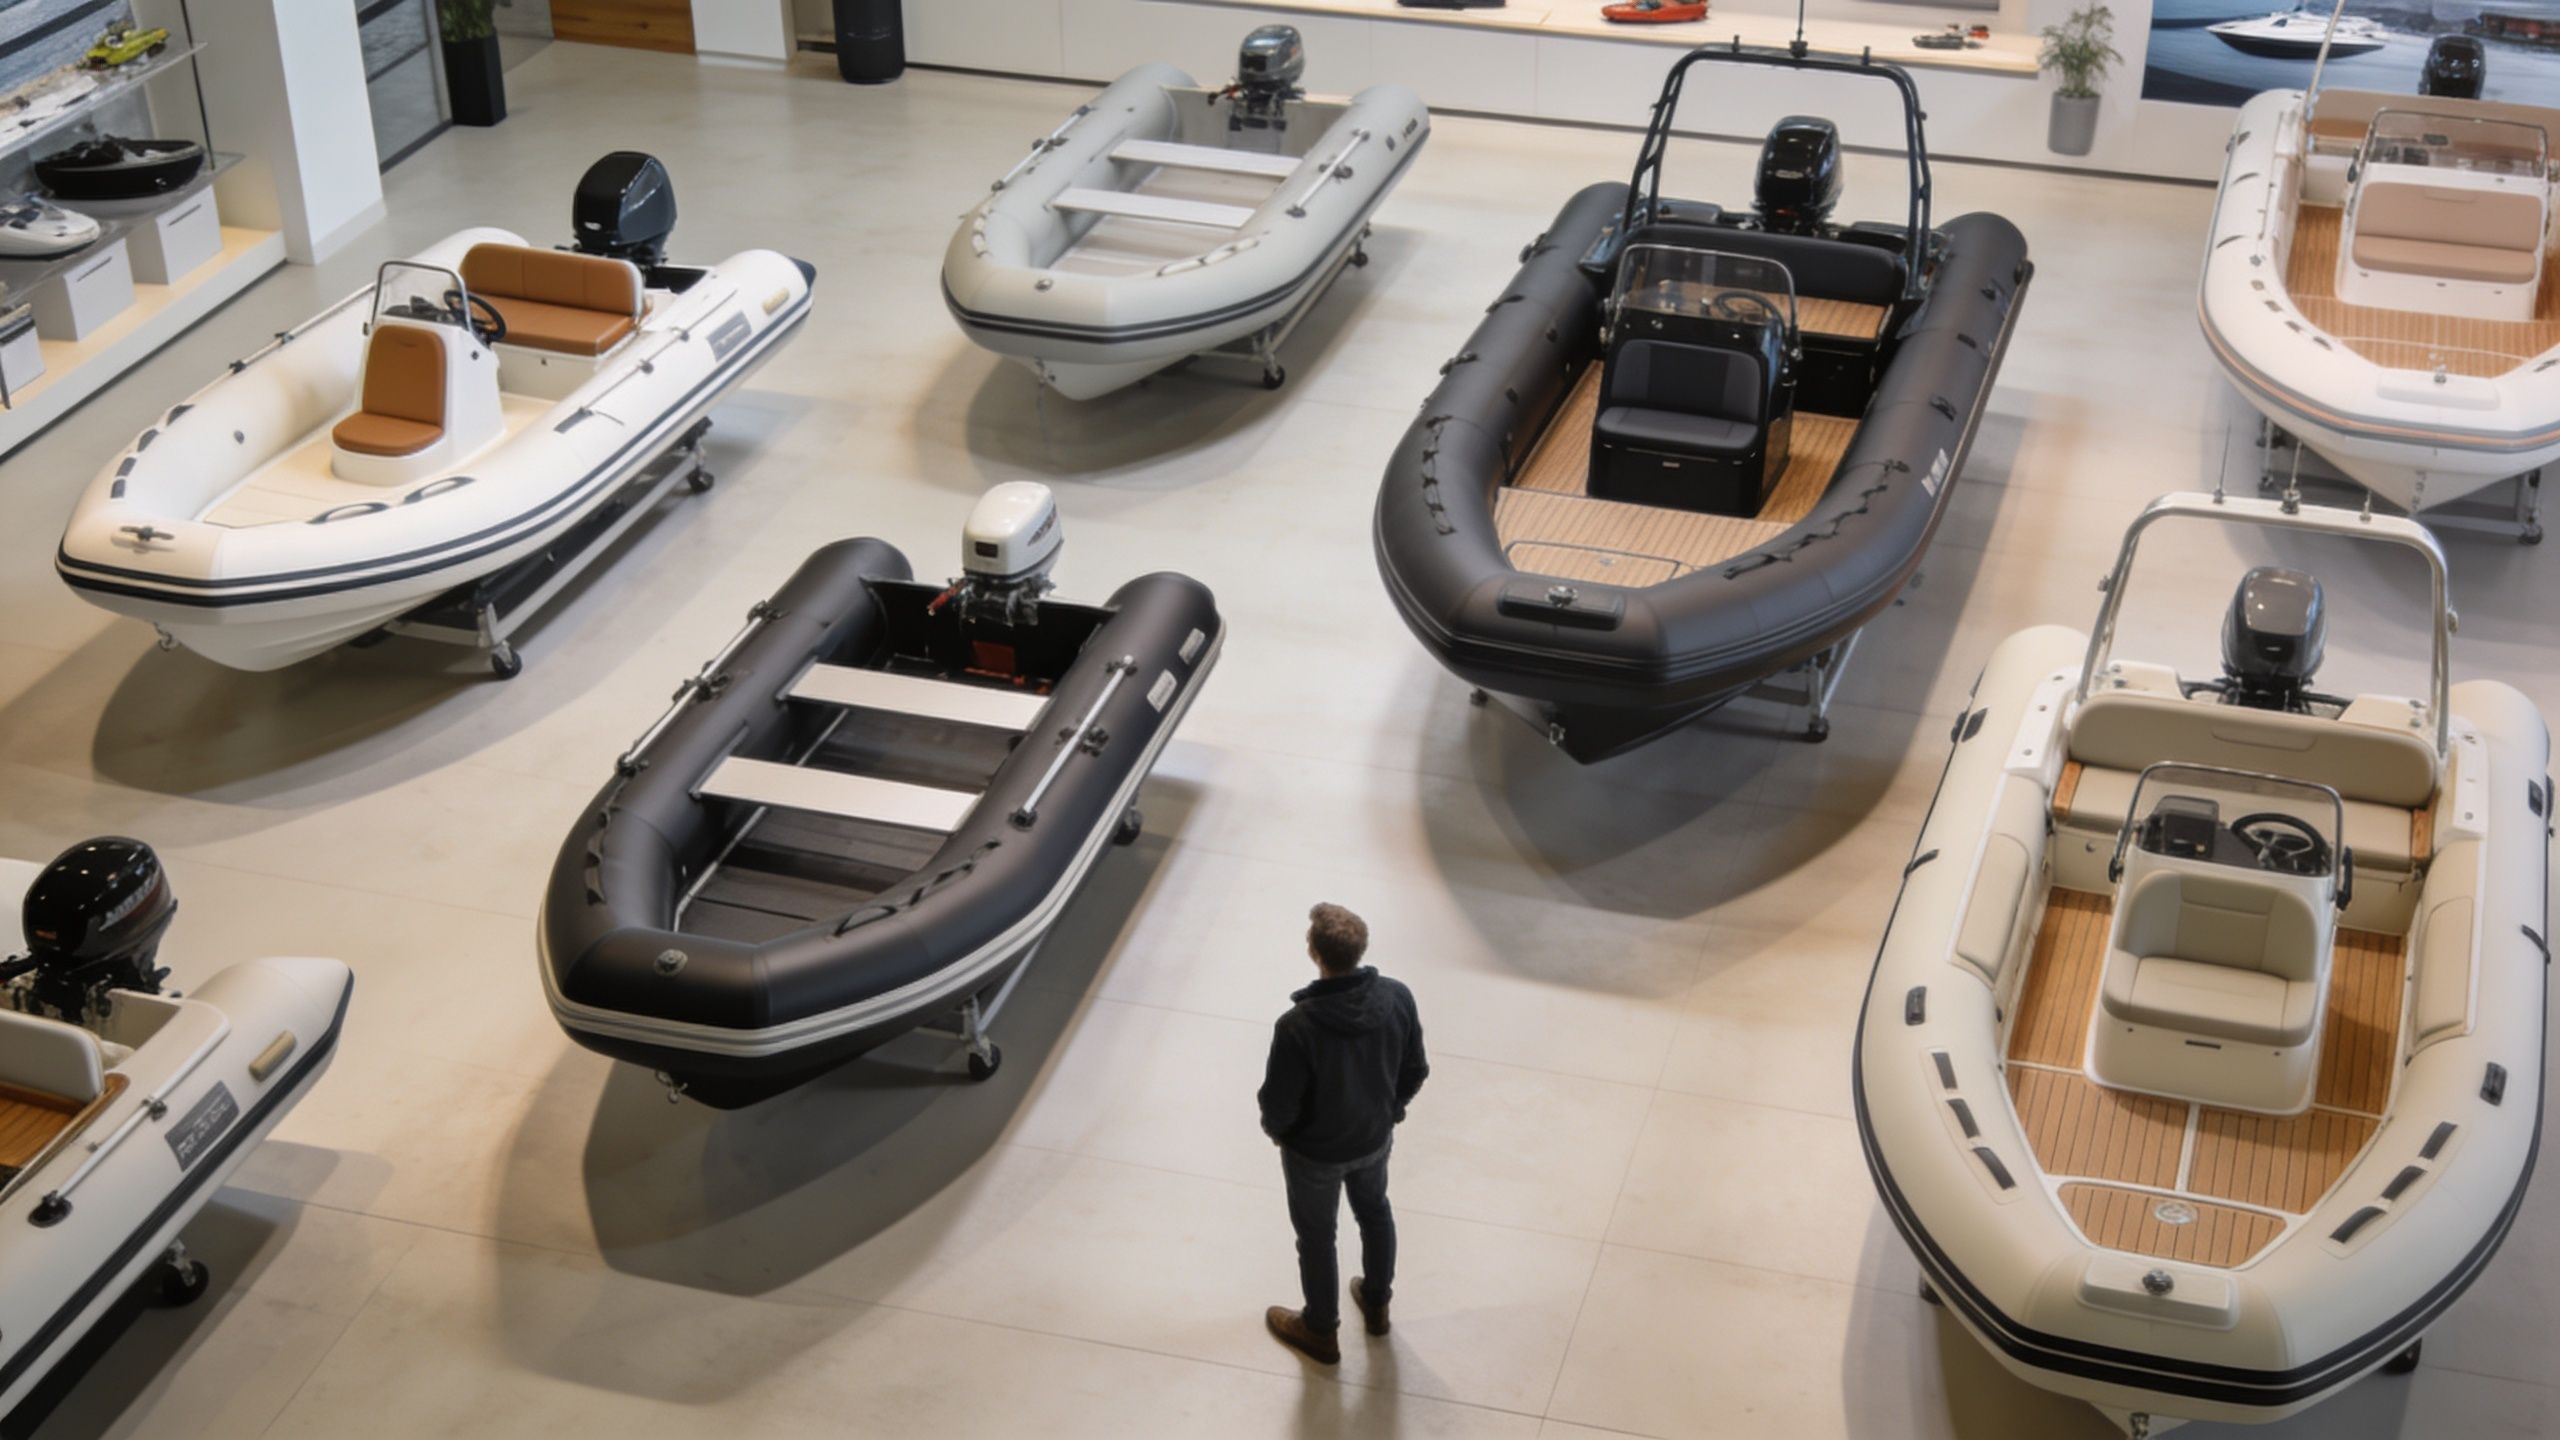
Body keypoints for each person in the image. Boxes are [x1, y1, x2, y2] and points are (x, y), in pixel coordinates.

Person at [1256, 902, 1428, 1364]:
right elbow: (1416, 1068)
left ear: (1314, 952)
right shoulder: (1398, 997)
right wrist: (1390, 1111)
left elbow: (1278, 1104)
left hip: (1314, 1154)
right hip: (1373, 1141)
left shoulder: (1297, 1026)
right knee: (1375, 1214)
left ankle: (1320, 1329)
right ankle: (1376, 1304)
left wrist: (1283, 1134)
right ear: (1361, 948)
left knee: (1317, 1236)